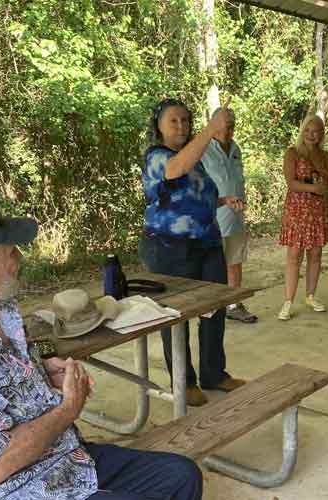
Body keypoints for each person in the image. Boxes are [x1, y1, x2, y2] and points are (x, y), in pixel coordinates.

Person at [0, 204, 202, 500]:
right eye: (11, 251)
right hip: (1, 490)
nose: (19, 257)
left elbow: (16, 360)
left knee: (181, 476)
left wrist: (45, 371)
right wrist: (68, 407)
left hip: (57, 462)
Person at [138, 98, 247, 407]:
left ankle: (215, 374)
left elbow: (196, 196)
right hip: (170, 250)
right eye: (174, 121)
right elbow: (176, 170)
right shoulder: (157, 157)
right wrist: (211, 129)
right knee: (177, 316)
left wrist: (225, 201)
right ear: (158, 126)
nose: (182, 126)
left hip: (207, 244)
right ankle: (184, 383)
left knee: (215, 309)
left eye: (186, 120)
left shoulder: (195, 157)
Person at [201, 107, 258, 324]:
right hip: (212, 218)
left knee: (234, 261)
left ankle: (234, 304)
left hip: (235, 216)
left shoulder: (236, 148)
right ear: (214, 124)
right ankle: (212, 307)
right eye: (227, 125)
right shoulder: (203, 149)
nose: (230, 130)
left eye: (233, 125)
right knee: (212, 264)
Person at [277, 114, 328, 321]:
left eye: (316, 130)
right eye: (308, 130)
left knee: (316, 254)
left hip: (318, 210)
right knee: (294, 255)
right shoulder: (292, 153)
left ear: (321, 134)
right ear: (302, 131)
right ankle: (288, 301)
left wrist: (323, 188)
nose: (312, 134)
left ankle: (310, 296)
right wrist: (313, 187)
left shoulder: (325, 156)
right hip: (298, 210)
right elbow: (291, 183)